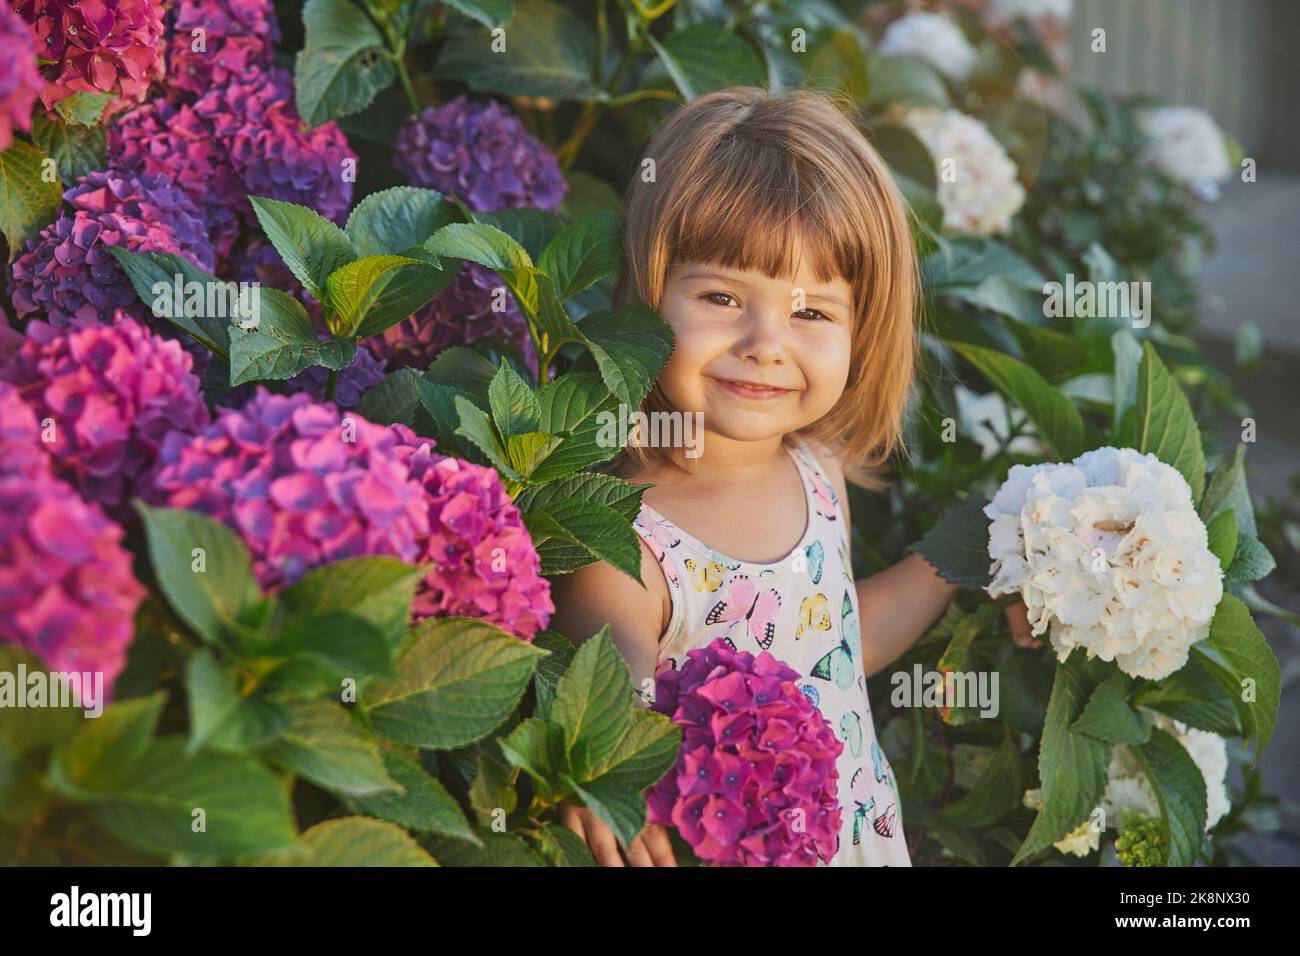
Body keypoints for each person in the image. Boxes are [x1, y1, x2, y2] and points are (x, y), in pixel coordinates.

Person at [548, 86, 1032, 867]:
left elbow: (840, 635)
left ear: (861, 328)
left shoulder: (816, 472)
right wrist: (611, 758)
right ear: (647, 292)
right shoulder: (621, 531)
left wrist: (978, 544)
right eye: (719, 296)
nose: (765, 342)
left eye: (811, 313)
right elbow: (611, 678)